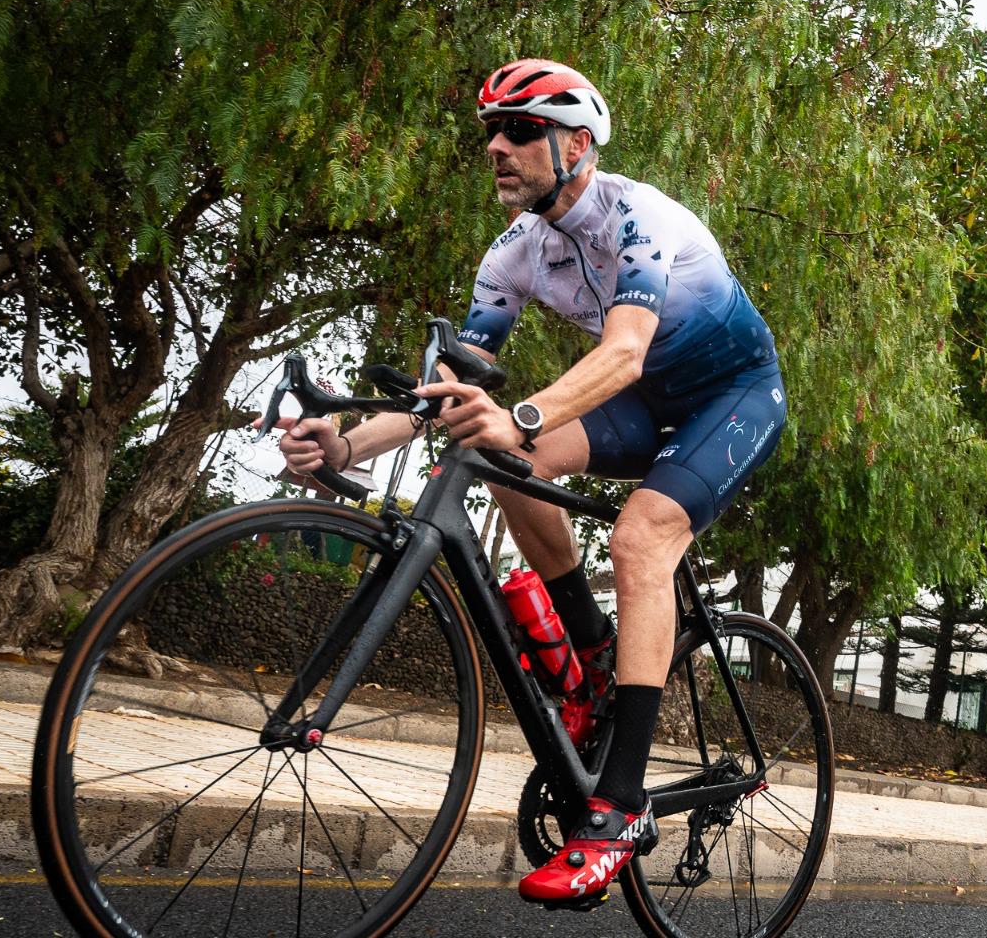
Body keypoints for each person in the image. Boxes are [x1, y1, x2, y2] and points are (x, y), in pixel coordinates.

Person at [278, 58, 786, 907]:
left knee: (639, 536)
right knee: (498, 456)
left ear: (576, 143)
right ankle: (588, 652)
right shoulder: (513, 254)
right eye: (491, 134)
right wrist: (345, 446)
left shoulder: (640, 217)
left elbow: (622, 351)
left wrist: (521, 415)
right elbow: (445, 395)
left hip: (732, 398)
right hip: (646, 404)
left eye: (519, 131)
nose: (498, 148)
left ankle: (619, 809)